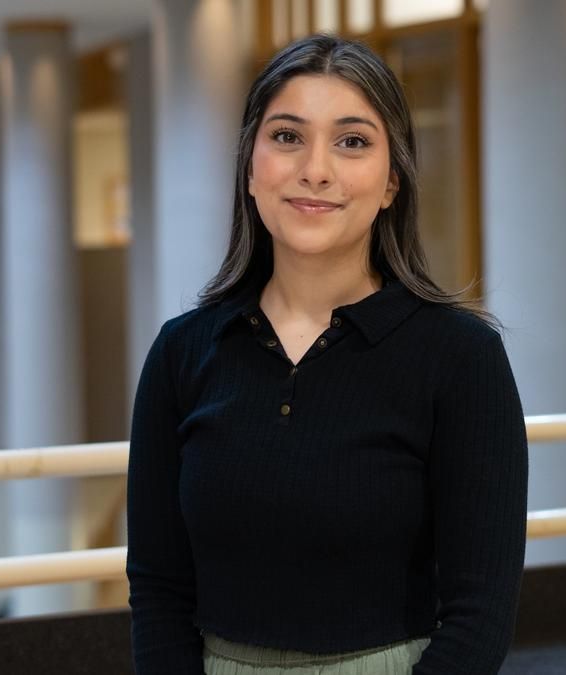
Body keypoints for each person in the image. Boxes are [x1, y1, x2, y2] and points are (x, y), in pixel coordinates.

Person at [126, 33, 528, 675]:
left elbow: (481, 616)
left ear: (392, 181)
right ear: (251, 167)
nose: (316, 169)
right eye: (287, 137)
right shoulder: (183, 353)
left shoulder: (460, 357)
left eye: (352, 141)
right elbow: (157, 588)